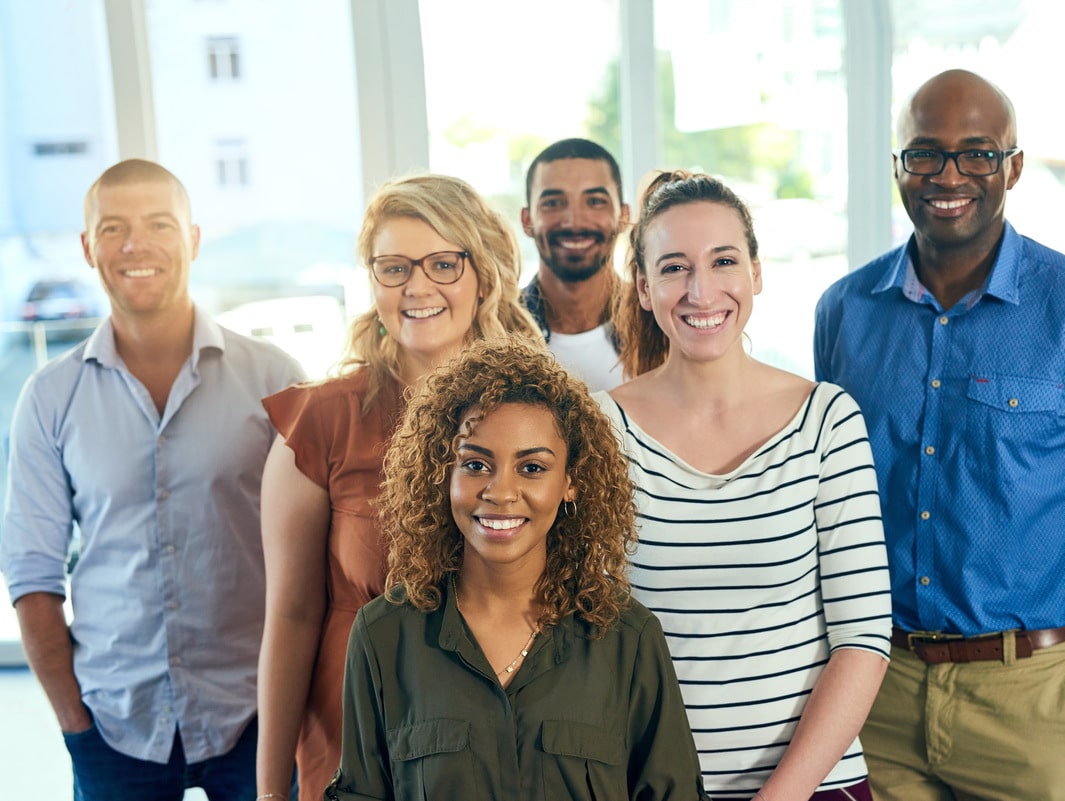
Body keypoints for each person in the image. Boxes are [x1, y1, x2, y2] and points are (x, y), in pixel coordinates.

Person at [813, 69, 1065, 800]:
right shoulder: (844, 313)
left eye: (978, 153)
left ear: (1013, 166)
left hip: (1035, 708)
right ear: (897, 166)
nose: (949, 175)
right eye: (924, 153)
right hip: (875, 697)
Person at [0, 158, 306, 801]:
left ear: (192, 239)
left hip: (259, 714)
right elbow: (32, 574)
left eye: (159, 224)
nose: (136, 245)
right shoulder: (50, 398)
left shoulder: (275, 378)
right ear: (88, 247)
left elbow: (317, 559)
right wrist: (74, 724)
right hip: (115, 726)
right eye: (113, 228)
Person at [599, 170, 892, 800]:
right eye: (674, 267)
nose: (701, 291)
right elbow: (584, 632)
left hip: (815, 788)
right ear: (645, 289)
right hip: (651, 786)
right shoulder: (598, 429)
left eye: (723, 261)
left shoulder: (827, 419)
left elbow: (863, 639)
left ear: (755, 272)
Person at [254, 174, 541, 801]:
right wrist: (271, 791)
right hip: (351, 733)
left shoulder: (541, 414)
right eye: (393, 267)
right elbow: (292, 615)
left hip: (502, 734)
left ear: (482, 273)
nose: (417, 287)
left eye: (443, 263)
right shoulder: (319, 421)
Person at [326, 337, 708, 800]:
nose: (500, 491)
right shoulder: (383, 635)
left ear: (570, 482)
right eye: (475, 464)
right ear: (442, 475)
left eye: (531, 468)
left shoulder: (627, 637)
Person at [520, 137, 630, 390]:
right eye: (553, 203)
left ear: (624, 216)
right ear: (527, 220)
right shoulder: (493, 333)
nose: (574, 222)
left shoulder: (660, 327)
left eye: (594, 201)